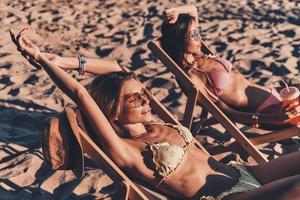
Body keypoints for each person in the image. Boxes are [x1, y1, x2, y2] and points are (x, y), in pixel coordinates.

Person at [10, 28, 300, 200]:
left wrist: (65, 59)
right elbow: (80, 94)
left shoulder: (155, 122)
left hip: (245, 172)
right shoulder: (125, 150)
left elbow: (116, 67)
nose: (146, 98)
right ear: (112, 112)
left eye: (144, 92)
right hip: (231, 197)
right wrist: (42, 61)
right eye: (135, 98)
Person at [160, 5, 300, 129]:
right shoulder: (192, 77)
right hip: (271, 111)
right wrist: (274, 118)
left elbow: (193, 10)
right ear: (179, 40)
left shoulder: (199, 54)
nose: (200, 38)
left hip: (277, 94)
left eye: (199, 31)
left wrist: (176, 11)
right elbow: (225, 112)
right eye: (194, 35)